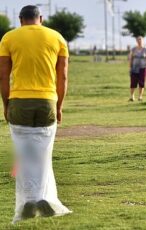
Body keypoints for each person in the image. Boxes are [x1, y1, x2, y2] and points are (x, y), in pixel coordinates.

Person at [0, 5, 71, 223]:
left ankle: (28, 201)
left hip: (19, 101)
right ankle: (42, 197)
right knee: (42, 153)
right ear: (41, 18)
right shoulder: (57, 38)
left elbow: (3, 77)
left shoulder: (9, 38)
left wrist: (6, 104)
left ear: (21, 20)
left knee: (23, 153)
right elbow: (64, 78)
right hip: (47, 101)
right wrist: (58, 107)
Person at [128, 36, 146, 102]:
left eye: (140, 40)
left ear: (142, 41)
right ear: (136, 41)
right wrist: (130, 67)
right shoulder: (133, 49)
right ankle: (132, 96)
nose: (139, 41)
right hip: (134, 68)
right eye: (138, 40)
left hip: (143, 68)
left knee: (141, 83)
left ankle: (140, 96)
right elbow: (131, 59)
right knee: (133, 83)